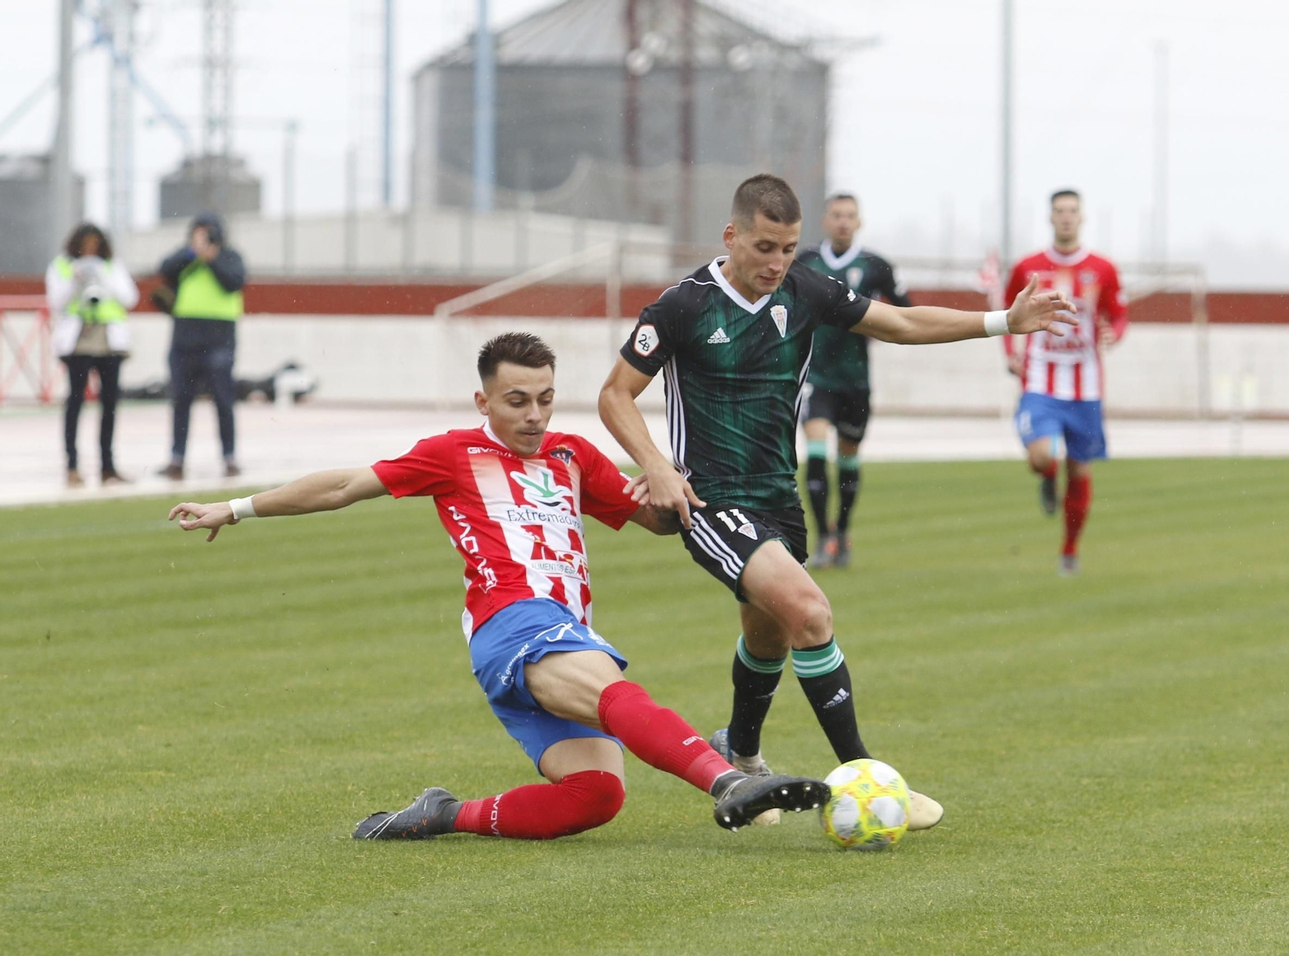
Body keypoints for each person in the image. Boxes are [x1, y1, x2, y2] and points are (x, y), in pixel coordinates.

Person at [168, 332, 828, 840]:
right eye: (517, 401)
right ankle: (727, 782)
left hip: (562, 628)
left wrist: (664, 490)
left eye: (544, 398)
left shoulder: (573, 453)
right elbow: (344, 485)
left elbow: (653, 521)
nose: (534, 415)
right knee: (615, 691)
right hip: (513, 620)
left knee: (596, 794)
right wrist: (236, 507)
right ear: (483, 401)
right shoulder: (450, 453)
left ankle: (445, 814)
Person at [598, 174, 1075, 831]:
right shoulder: (684, 306)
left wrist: (1004, 321)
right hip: (711, 501)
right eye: (765, 247)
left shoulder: (805, 287)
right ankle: (873, 778)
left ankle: (739, 753)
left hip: (777, 499)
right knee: (809, 612)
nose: (776, 263)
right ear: (731, 235)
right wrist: (655, 465)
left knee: (766, 634)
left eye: (789, 248)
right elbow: (615, 393)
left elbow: (901, 322)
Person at [1004, 189, 1128, 575]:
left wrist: (1113, 334)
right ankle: (1046, 476)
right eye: (1059, 211)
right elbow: (1008, 312)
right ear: (1051, 217)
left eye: (1072, 211)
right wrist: (1011, 350)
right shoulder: (1029, 267)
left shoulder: (1103, 268)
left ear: (1081, 217)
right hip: (1040, 379)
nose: (1066, 217)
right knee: (1041, 455)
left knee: (1080, 472)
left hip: (1086, 387)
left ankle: (1069, 550)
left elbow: (1119, 315)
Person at [794, 193, 910, 568]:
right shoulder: (805, 262)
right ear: (825, 220)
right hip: (816, 375)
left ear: (859, 222)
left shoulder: (877, 266)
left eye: (850, 216)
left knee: (847, 457)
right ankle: (823, 537)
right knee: (813, 449)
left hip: (856, 379)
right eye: (836, 215)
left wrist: (879, 323)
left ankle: (842, 531)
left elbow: (907, 311)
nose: (843, 222)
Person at [46, 222, 138, 487]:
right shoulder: (62, 265)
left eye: (95, 244)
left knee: (109, 403)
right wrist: (77, 278)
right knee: (75, 401)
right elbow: (56, 302)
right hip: (79, 338)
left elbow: (129, 297)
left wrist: (101, 277)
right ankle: (72, 464)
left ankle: (108, 466)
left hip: (109, 338)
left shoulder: (111, 265)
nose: (91, 250)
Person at [157, 211, 247, 480]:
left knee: (223, 399)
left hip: (219, 339)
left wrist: (212, 258)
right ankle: (177, 458)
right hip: (185, 338)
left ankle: (229, 457)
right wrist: (191, 254)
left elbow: (234, 281)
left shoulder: (230, 257)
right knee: (180, 400)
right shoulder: (186, 259)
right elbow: (164, 270)